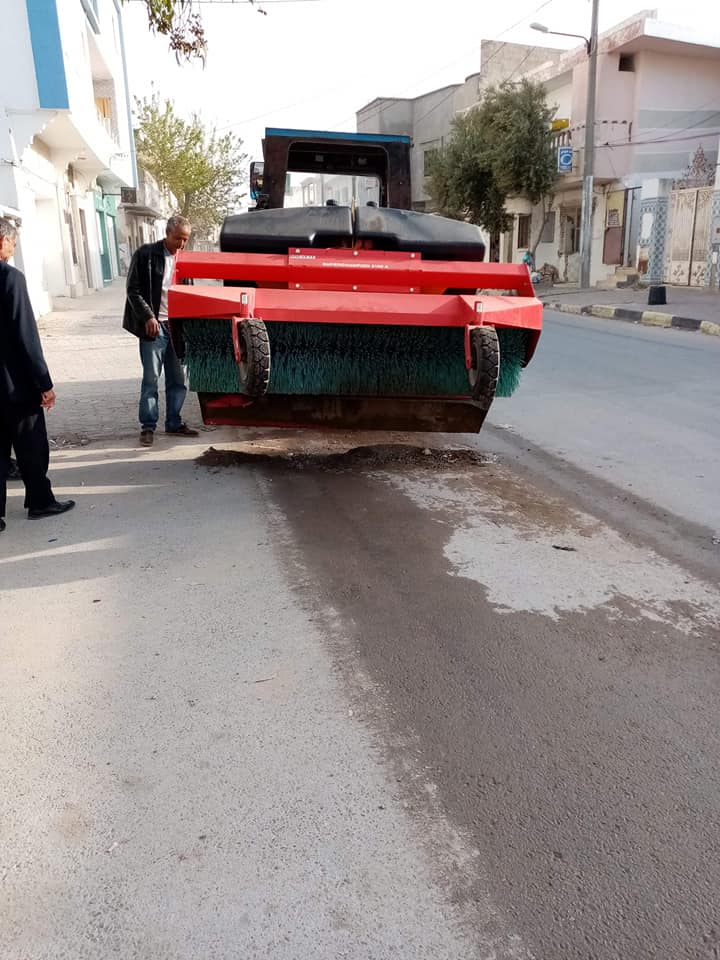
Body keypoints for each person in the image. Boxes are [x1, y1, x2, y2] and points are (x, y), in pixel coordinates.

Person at [0, 217, 75, 533]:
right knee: (31, 445)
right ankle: (40, 502)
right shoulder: (10, 279)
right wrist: (44, 383)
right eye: (13, 244)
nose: (13, 249)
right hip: (15, 386)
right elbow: (26, 335)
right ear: (2, 241)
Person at [123, 216, 199, 447]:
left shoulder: (184, 259)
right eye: (178, 239)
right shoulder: (146, 255)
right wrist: (148, 316)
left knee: (178, 378)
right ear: (167, 233)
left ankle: (174, 422)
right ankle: (148, 426)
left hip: (176, 327)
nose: (181, 244)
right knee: (151, 379)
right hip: (154, 328)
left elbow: (189, 293)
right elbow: (133, 290)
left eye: (185, 240)